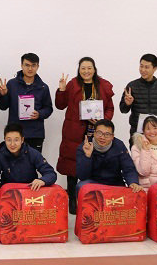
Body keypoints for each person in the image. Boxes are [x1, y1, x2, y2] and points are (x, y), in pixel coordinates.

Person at [55, 56, 115, 214]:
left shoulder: (103, 85)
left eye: (89, 68)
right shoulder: (73, 84)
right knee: (72, 165)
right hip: (74, 130)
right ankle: (72, 201)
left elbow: (110, 108)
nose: (86, 71)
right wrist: (62, 90)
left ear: (94, 69)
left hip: (96, 131)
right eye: (83, 68)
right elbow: (60, 105)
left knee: (96, 164)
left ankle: (92, 199)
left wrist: (103, 120)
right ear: (79, 70)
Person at [0, 53, 53, 153]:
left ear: (38, 66)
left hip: (35, 134)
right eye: (27, 65)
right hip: (14, 134)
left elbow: (48, 109)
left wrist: (39, 114)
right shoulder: (11, 84)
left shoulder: (43, 87)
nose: (30, 69)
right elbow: (3, 107)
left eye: (33, 65)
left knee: (33, 162)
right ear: (21, 65)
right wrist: (4, 95)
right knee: (13, 162)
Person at [76, 119, 142, 198]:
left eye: (107, 134)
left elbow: (128, 168)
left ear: (112, 136)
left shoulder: (119, 145)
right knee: (81, 186)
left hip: (115, 183)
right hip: (94, 183)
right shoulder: (85, 147)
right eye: (99, 133)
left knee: (134, 190)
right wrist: (87, 156)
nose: (102, 137)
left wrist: (133, 182)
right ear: (94, 133)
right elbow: (82, 176)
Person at [120, 53, 157, 147]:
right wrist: (127, 103)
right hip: (137, 133)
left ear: (155, 68)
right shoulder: (132, 86)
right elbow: (123, 109)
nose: (143, 70)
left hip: (155, 133)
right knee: (137, 156)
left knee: (155, 156)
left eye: (147, 67)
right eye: (141, 66)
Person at [0, 123, 57, 190]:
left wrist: (42, 180)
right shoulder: (1, 153)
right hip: (8, 192)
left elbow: (51, 173)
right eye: (9, 140)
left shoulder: (32, 153)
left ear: (22, 140)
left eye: (16, 140)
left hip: (29, 191)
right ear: (4, 140)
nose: (12, 144)